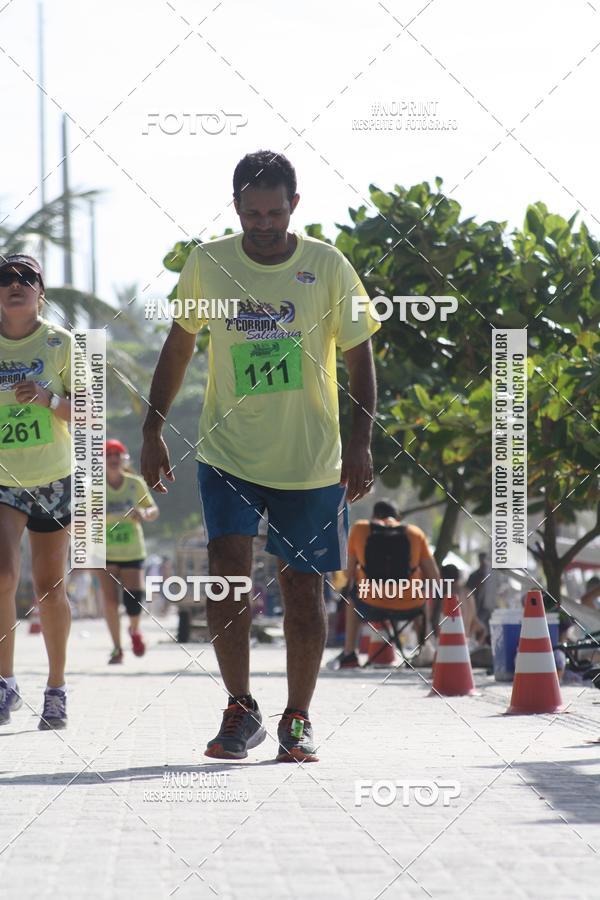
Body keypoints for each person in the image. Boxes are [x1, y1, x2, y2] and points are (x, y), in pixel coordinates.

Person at [141, 150, 380, 762]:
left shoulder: (327, 266)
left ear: (294, 206)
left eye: (275, 212)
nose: (264, 224)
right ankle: (240, 708)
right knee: (227, 580)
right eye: (252, 214)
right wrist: (152, 429)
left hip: (310, 459)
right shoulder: (209, 264)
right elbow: (178, 348)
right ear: (237, 208)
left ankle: (296, 717)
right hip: (228, 452)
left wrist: (361, 440)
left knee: (304, 592)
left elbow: (360, 358)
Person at [0, 254, 72, 729]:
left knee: (49, 586)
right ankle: (5, 683)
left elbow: (88, 412)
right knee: (2, 576)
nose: (15, 284)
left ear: (41, 292)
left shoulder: (61, 343)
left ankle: (56, 687)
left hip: (54, 478)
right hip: (3, 480)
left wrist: (48, 400)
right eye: (5, 278)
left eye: (27, 278)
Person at [329, 500, 440, 668]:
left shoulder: (360, 529)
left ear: (373, 516)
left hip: (371, 602)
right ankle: (423, 649)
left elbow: (347, 573)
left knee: (352, 599)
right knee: (421, 596)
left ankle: (350, 653)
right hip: (410, 605)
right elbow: (434, 577)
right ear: (398, 518)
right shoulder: (415, 533)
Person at [93, 439, 158, 664]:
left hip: (132, 549)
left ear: (124, 458)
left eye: (117, 454)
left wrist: (143, 513)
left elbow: (152, 509)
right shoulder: (94, 486)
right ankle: (116, 648)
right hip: (104, 550)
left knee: (133, 599)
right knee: (110, 602)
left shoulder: (135, 483)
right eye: (108, 454)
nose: (112, 458)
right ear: (102, 460)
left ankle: (134, 629)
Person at [439, 564, 486, 644]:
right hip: (466, 646)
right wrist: (476, 645)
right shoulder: (468, 594)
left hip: (451, 646)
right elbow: (481, 628)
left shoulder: (449, 596)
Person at [466, 551, 491, 630]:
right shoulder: (473, 576)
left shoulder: (491, 577)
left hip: (488, 607)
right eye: (481, 559)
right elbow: (468, 591)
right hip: (476, 606)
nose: (483, 562)